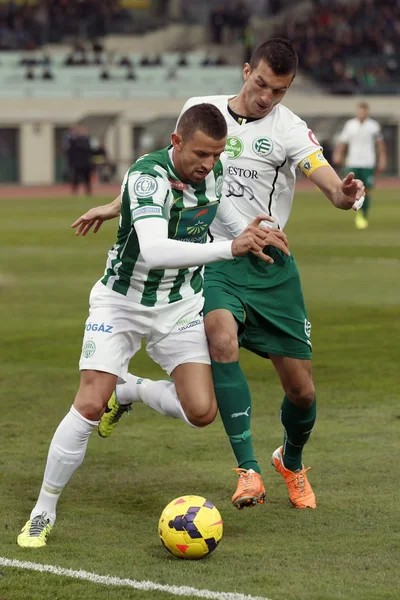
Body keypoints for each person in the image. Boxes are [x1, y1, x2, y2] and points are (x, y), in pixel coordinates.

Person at [71, 39, 365, 512]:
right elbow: (168, 171)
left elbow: (327, 181)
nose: (267, 97)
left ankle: (289, 461)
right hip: (213, 255)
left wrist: (346, 194)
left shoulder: (290, 130)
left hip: (269, 262)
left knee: (302, 390)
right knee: (220, 336)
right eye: (261, 84)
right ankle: (248, 471)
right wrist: (115, 206)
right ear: (247, 71)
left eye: (279, 90)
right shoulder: (200, 110)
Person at [17, 103, 289, 548]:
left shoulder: (212, 174)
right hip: (120, 304)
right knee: (88, 403)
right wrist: (230, 249)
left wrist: (249, 233)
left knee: (201, 412)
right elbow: (157, 250)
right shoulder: (147, 176)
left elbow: (221, 216)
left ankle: (129, 390)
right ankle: (43, 510)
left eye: (216, 155)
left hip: (180, 305)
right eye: (201, 154)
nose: (209, 164)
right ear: (176, 142)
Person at [333, 102, 386, 229]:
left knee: (366, 190)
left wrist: (382, 159)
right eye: (360, 111)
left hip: (368, 162)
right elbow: (342, 142)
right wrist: (338, 154)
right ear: (357, 111)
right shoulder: (350, 125)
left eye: (364, 111)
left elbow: (379, 144)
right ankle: (358, 213)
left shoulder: (373, 126)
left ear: (367, 112)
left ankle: (363, 214)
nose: (362, 113)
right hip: (353, 162)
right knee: (353, 188)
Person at [67, 123, 93, 196]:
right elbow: (70, 151)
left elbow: (89, 150)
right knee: (75, 178)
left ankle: (88, 191)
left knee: (87, 178)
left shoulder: (87, 139)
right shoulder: (73, 140)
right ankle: (74, 191)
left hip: (85, 163)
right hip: (77, 163)